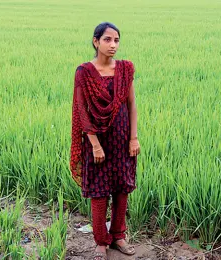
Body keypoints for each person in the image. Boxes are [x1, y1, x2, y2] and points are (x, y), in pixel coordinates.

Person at [69, 21, 140, 260]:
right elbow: (81, 111)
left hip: (122, 140)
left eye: (117, 40)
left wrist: (133, 139)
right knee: (99, 193)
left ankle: (118, 236)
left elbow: (132, 106)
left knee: (122, 190)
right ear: (95, 41)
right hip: (96, 141)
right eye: (108, 40)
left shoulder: (125, 69)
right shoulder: (84, 72)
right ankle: (101, 241)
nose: (113, 45)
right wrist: (95, 144)